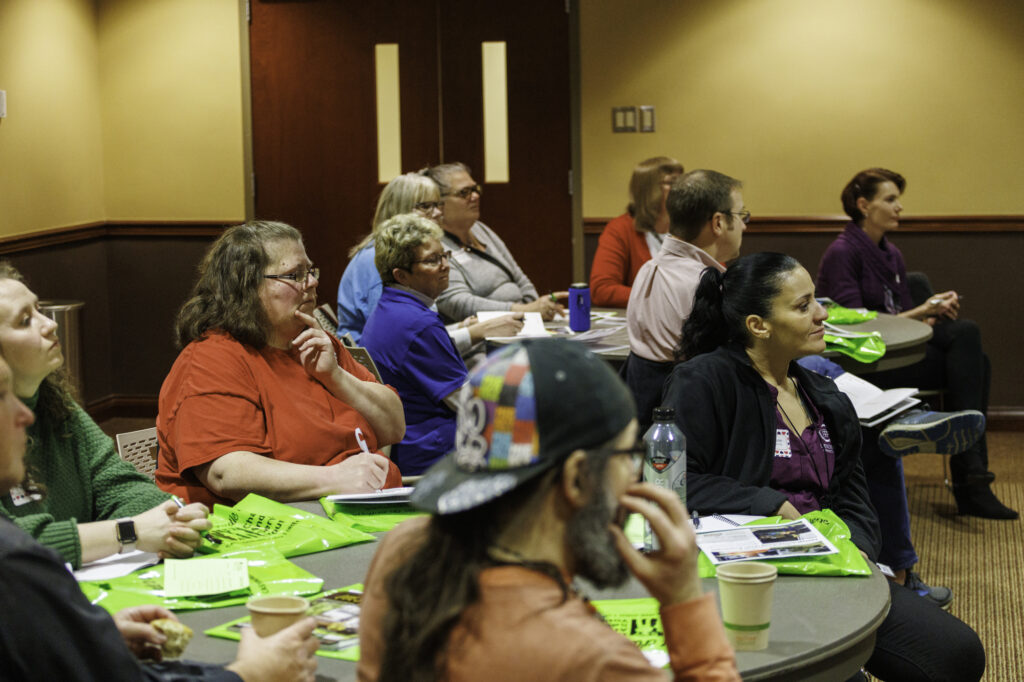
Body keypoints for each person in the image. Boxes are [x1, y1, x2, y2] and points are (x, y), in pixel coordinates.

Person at [627, 171, 979, 606]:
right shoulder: (699, 297)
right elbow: (733, 362)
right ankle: (896, 438)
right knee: (848, 410)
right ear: (719, 222)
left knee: (834, 395)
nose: (746, 224)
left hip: (716, 407)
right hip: (713, 421)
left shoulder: (657, 268)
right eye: (742, 215)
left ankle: (892, 430)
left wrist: (854, 548)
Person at [663, 253, 985, 682]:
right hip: (746, 577)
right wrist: (770, 503)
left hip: (829, 564)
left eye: (815, 300)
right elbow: (672, 483)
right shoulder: (704, 382)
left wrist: (852, 553)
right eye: (802, 306)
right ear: (758, 325)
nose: (822, 314)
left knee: (957, 655)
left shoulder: (823, 393)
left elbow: (855, 498)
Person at [358, 339, 739, 682]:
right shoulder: (595, 660)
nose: (636, 475)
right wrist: (685, 599)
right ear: (575, 479)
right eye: (628, 455)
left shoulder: (404, 552)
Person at [0, 355, 320, 681]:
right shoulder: (13, 558)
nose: (25, 415)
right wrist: (249, 674)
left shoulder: (55, 402)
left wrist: (94, 637)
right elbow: (227, 472)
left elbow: (119, 483)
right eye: (1, 397)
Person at [156, 221, 405, 508]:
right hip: (259, 531)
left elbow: (395, 427)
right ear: (245, 286)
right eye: (294, 275)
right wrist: (335, 478)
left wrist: (335, 377)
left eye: (310, 271)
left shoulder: (314, 341)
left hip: (352, 509)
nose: (312, 282)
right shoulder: (212, 358)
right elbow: (227, 472)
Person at [816, 168, 1016, 520]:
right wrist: (925, 309)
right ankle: (972, 479)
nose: (900, 207)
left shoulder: (890, 252)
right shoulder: (843, 252)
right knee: (971, 350)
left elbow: (901, 314)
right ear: (864, 205)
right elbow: (856, 323)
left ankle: (972, 475)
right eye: (890, 199)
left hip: (899, 354)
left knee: (972, 352)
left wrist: (933, 312)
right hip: (867, 365)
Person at [0, 263, 210, 569]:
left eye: (39, 310)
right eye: (25, 321)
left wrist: (169, 521)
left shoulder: (54, 403)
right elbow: (14, 545)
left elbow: (122, 486)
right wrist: (130, 532)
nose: (49, 325)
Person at [336, 172, 522, 347]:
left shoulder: (398, 253)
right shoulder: (378, 259)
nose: (437, 213)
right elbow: (400, 342)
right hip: (377, 372)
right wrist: (476, 332)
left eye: (438, 204)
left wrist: (463, 327)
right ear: (399, 210)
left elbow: (417, 333)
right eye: (425, 206)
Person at [361, 214, 467, 475]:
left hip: (409, 445)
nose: (445, 266)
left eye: (445, 255)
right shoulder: (418, 324)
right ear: (401, 275)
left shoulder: (390, 307)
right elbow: (468, 404)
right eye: (432, 260)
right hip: (433, 454)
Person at [426, 162, 566, 323]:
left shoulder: (480, 229)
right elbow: (457, 303)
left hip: (523, 323)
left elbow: (519, 276)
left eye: (475, 189)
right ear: (439, 202)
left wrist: (534, 308)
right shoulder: (434, 244)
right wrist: (524, 311)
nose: (475, 196)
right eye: (464, 193)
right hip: (485, 333)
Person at [590, 156, 683, 307]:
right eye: (672, 183)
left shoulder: (692, 226)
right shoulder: (620, 229)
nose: (683, 189)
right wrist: (660, 298)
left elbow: (717, 278)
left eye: (683, 181)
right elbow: (602, 290)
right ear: (649, 191)